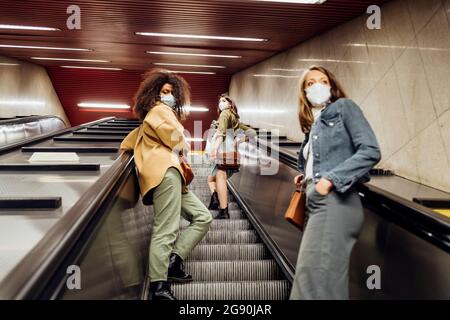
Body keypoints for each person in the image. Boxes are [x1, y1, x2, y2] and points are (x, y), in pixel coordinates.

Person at [120, 68, 212, 300]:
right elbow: (176, 139)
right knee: (166, 229)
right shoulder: (160, 111)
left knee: (203, 217)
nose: (168, 96)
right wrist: (184, 143)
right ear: (154, 94)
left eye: (171, 92)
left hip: (172, 176)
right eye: (164, 91)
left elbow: (126, 146)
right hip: (166, 173)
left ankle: (173, 261)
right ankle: (158, 287)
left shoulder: (147, 121)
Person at [290, 65, 381, 300]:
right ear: (304, 92)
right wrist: (306, 176)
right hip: (319, 204)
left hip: (334, 203)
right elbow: (324, 160)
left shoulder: (344, 108)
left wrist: (330, 179)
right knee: (325, 286)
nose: (317, 86)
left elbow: (370, 150)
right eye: (310, 83)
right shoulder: (314, 125)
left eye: (322, 81)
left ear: (332, 86)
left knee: (311, 286)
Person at [206, 94, 256, 218]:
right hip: (229, 149)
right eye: (219, 101)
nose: (220, 103)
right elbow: (252, 133)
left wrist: (214, 150)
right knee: (212, 178)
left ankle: (224, 211)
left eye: (224, 101)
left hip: (222, 148)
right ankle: (215, 198)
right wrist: (237, 142)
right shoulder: (234, 118)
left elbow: (221, 133)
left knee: (220, 177)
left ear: (230, 104)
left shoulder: (225, 114)